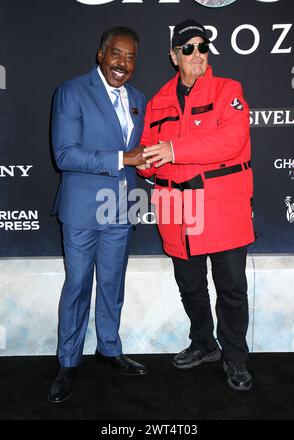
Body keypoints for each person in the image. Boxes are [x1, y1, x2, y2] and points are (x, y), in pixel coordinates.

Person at [138, 19, 254, 391]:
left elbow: (231, 140)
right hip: (176, 210)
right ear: (174, 56)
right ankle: (204, 343)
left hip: (222, 208)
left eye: (202, 47)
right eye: (187, 48)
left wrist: (174, 149)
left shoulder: (228, 90)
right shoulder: (157, 101)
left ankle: (235, 358)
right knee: (190, 286)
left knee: (232, 289)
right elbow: (148, 150)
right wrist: (144, 165)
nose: (196, 55)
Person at [49, 26, 148, 403]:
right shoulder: (72, 92)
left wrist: (151, 160)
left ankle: (109, 348)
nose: (123, 63)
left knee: (112, 285)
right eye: (116, 54)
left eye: (130, 57)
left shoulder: (137, 98)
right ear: (101, 55)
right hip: (81, 209)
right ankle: (69, 361)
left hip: (121, 207)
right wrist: (125, 158)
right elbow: (65, 155)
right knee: (77, 287)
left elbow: (137, 153)